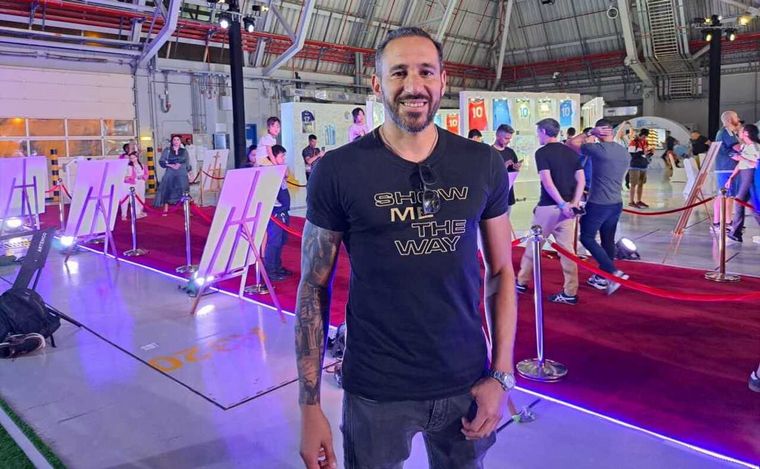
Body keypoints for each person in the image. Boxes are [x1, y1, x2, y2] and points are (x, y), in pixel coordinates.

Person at [296, 27, 516, 469]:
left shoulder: (482, 163)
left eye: (425, 72)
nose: (413, 86)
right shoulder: (338, 171)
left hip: (466, 383)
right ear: (376, 83)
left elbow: (501, 272)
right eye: (398, 72)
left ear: (443, 80)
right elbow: (312, 287)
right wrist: (309, 404)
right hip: (376, 389)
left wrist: (501, 375)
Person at [516, 118, 584, 305]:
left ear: (544, 132)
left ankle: (521, 282)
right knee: (568, 252)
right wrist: (572, 204)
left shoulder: (542, 152)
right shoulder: (571, 153)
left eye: (538, 132)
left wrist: (561, 204)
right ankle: (570, 291)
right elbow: (581, 180)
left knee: (533, 247)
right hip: (568, 209)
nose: (538, 135)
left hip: (548, 207)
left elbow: (547, 182)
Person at [567, 120, 630, 295]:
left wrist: (589, 133)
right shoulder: (624, 152)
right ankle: (603, 277)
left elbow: (571, 143)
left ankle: (613, 272)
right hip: (616, 203)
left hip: (598, 203)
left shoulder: (598, 150)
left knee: (586, 237)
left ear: (599, 131)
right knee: (607, 240)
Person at [726, 124, 760, 242]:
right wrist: (731, 177)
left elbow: (756, 164)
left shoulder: (755, 147)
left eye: (741, 131)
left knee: (740, 201)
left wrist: (742, 158)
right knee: (753, 206)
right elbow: (741, 164)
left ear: (746, 133)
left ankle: (735, 232)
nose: (739, 132)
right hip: (745, 175)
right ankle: (736, 232)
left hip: (751, 176)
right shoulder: (745, 146)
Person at [264, 145, 292, 281]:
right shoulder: (269, 172)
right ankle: (271, 270)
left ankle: (277, 266)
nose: (284, 159)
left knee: (282, 240)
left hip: (284, 211)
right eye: (281, 156)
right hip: (276, 212)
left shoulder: (279, 170)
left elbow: (287, 175)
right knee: (274, 242)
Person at [713, 111, 742, 230]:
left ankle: (726, 221)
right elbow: (737, 147)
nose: (738, 119)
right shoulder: (727, 132)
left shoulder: (726, 132)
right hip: (726, 168)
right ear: (730, 119)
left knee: (727, 196)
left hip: (726, 167)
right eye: (736, 117)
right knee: (725, 196)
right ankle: (722, 222)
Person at [154, 136, 190, 215]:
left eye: (178, 140)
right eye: (174, 140)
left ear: (180, 141)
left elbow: (187, 162)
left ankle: (186, 210)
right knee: (167, 189)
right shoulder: (167, 150)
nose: (176, 141)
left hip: (182, 172)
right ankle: (165, 209)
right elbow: (162, 161)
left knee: (183, 190)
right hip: (170, 172)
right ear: (172, 141)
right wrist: (171, 165)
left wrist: (189, 173)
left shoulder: (184, 151)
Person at [492, 124, 521, 214]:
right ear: (497, 136)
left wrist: (516, 167)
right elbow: (487, 174)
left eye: (509, 139)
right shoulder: (490, 152)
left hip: (508, 194)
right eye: (506, 138)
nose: (508, 141)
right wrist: (503, 167)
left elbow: (514, 171)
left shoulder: (510, 152)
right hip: (495, 196)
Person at [627, 129, 653, 208]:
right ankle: (631, 201)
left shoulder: (645, 142)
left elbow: (646, 154)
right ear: (640, 134)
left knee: (641, 184)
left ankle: (639, 200)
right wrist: (642, 152)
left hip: (643, 165)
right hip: (635, 166)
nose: (644, 138)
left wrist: (650, 153)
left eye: (645, 137)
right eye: (643, 136)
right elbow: (631, 154)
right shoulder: (634, 142)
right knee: (633, 184)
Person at [121, 150, 149, 221]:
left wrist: (143, 177)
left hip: (140, 182)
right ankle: (134, 213)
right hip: (132, 183)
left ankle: (140, 211)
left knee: (141, 197)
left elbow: (146, 174)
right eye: (131, 158)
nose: (132, 159)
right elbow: (127, 176)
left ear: (137, 157)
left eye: (134, 157)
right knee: (133, 198)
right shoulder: (129, 166)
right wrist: (131, 178)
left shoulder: (142, 165)